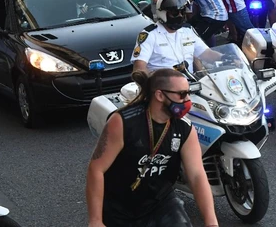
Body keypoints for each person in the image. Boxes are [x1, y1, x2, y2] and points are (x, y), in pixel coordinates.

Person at [86, 69, 218, 227]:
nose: (188, 100)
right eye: (182, 94)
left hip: (160, 203)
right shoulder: (123, 122)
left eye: (188, 93)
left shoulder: (185, 128)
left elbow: (197, 175)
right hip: (119, 207)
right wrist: (95, 220)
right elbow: (96, 169)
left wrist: (211, 222)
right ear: (160, 95)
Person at [131, 0, 218, 73]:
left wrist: (226, 57)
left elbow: (206, 53)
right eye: (175, 12)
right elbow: (139, 68)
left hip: (190, 83)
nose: (180, 15)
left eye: (182, 12)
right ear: (163, 13)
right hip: (164, 86)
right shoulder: (149, 35)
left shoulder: (188, 31)